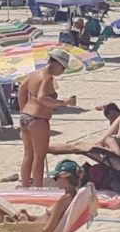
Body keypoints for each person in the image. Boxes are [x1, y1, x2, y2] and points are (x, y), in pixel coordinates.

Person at [17, 48, 77, 188]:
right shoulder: (47, 77)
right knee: (39, 156)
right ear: (56, 64)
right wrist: (64, 103)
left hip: (26, 117)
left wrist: (23, 110)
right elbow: (42, 98)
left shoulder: (34, 74)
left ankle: (25, 185)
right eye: (63, 68)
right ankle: (38, 187)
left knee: (28, 155)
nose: (62, 72)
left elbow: (22, 90)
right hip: (38, 120)